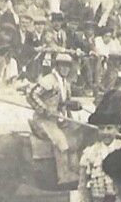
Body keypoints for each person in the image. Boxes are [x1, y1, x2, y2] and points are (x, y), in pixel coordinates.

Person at [24, 51, 82, 188]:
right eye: (62, 66)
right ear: (57, 66)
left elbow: (61, 102)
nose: (65, 69)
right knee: (61, 141)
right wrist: (43, 109)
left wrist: (72, 104)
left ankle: (75, 169)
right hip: (43, 120)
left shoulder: (65, 82)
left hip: (59, 119)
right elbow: (31, 94)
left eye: (68, 66)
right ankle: (64, 176)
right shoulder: (48, 80)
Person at [77, 111, 121, 202]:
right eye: (101, 128)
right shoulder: (89, 153)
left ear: (117, 129)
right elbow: (82, 185)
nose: (105, 132)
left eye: (109, 128)